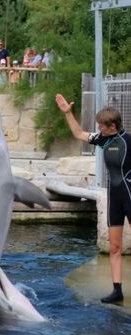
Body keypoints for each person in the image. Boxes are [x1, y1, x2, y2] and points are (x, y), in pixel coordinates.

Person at [55, 93, 131, 304]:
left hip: (130, 197)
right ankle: (117, 291)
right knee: (115, 247)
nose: (98, 129)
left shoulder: (128, 141)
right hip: (114, 198)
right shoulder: (104, 140)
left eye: (101, 126)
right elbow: (79, 134)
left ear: (112, 126)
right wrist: (68, 113)